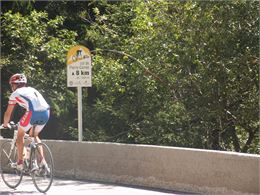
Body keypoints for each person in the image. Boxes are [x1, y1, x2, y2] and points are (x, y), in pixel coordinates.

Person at [3, 73, 50, 171]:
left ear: (14, 84)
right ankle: (42, 162)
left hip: (33, 113)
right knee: (34, 135)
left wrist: (5, 124)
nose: (12, 87)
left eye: (12, 85)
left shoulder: (15, 94)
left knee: (20, 135)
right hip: (46, 112)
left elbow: (8, 113)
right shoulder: (32, 90)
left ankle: (20, 163)